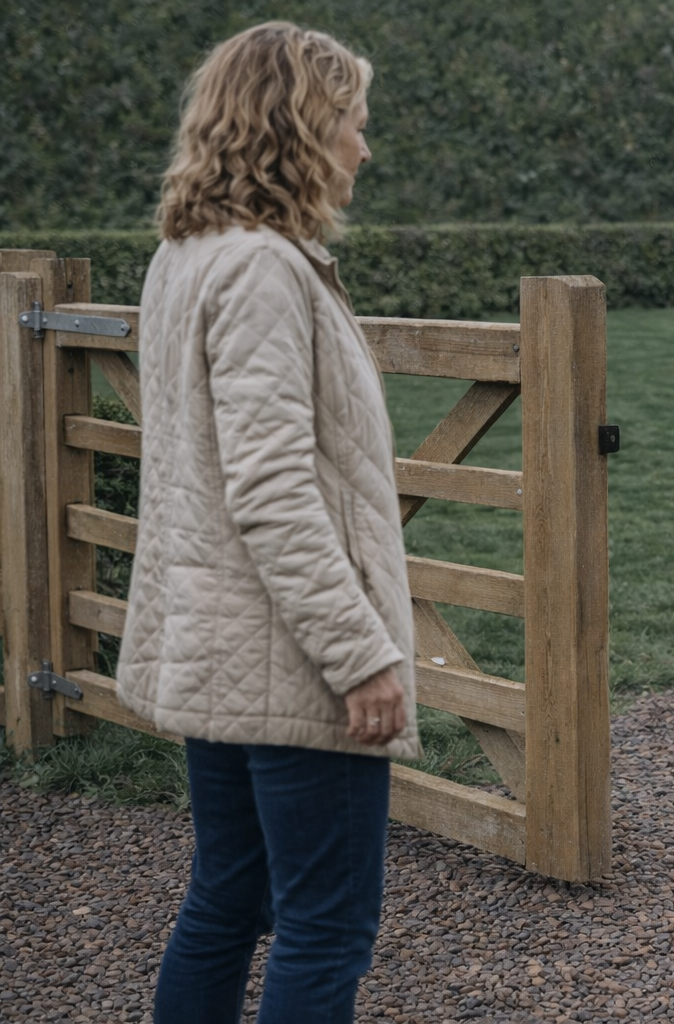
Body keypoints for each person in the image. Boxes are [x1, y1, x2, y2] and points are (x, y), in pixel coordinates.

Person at [116, 22, 419, 1024]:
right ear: (297, 129)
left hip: (219, 646)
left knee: (226, 898)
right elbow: (271, 489)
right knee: (326, 927)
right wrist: (359, 655)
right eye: (352, 126)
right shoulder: (261, 270)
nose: (363, 150)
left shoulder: (186, 254)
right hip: (289, 660)